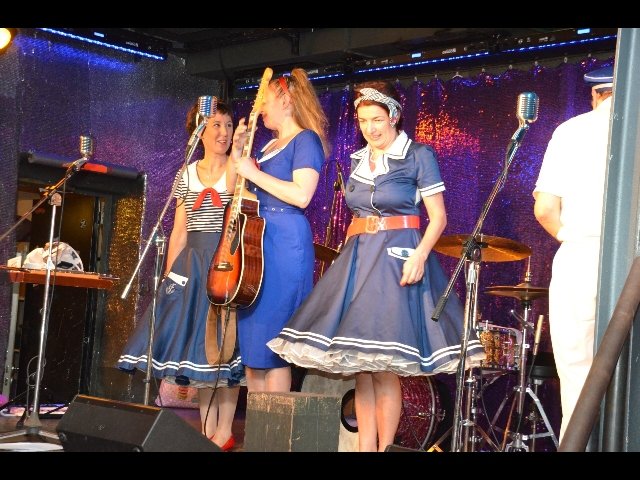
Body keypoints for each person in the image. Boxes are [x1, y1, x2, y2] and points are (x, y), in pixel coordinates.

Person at [268, 80, 485, 452]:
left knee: (383, 367)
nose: (370, 127)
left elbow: (438, 218)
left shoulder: (418, 155)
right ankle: (365, 447)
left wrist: (420, 255)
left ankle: (386, 448)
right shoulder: (357, 160)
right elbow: (358, 215)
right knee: (363, 370)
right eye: (363, 120)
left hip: (397, 258)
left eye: (377, 119)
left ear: (394, 116)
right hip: (359, 258)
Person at [117, 98, 243, 451]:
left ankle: (225, 431)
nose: (223, 132)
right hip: (193, 264)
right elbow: (179, 229)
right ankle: (207, 431)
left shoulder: (238, 167)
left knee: (225, 347)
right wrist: (171, 275)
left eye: (228, 125)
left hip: (225, 260)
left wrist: (239, 154)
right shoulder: (185, 174)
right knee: (199, 350)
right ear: (199, 131)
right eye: (216, 125)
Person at [226, 68, 329, 394]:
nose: (259, 109)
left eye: (265, 100)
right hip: (256, 244)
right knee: (254, 350)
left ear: (286, 100)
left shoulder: (306, 140)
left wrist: (253, 173)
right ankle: (258, 423)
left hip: (285, 244)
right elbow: (233, 189)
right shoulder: (268, 146)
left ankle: (275, 423)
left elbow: (302, 195)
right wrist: (237, 152)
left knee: (274, 349)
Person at [533, 65, 614, 442]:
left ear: (595, 94)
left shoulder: (570, 131)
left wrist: (576, 239)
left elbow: (545, 209)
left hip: (581, 258)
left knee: (577, 377)